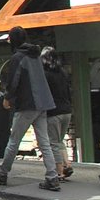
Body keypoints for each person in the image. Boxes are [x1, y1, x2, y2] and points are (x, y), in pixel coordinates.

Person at [0, 26, 62, 191]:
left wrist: (7, 98)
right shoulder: (36, 56)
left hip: (28, 104)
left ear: (12, 40)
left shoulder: (18, 58)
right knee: (44, 142)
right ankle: (52, 176)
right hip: (43, 103)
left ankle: (3, 172)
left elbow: (13, 81)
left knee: (14, 140)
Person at [41, 46, 74, 180]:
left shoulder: (45, 75)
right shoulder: (63, 72)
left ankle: (59, 172)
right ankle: (67, 165)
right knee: (59, 141)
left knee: (53, 143)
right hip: (67, 110)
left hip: (53, 112)